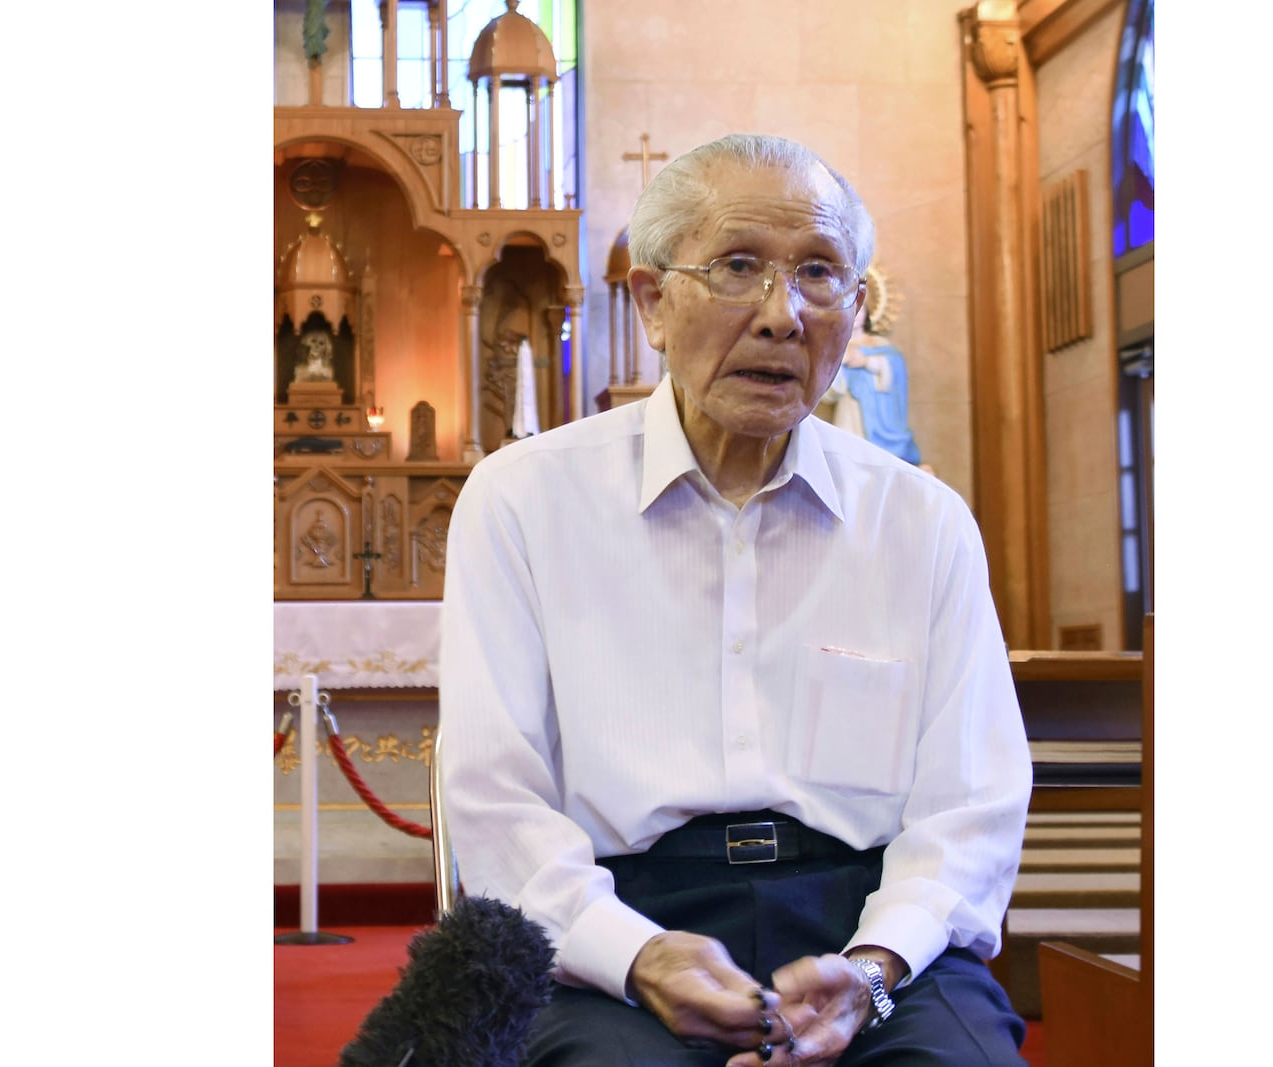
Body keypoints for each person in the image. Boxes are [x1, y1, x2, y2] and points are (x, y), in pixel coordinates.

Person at [437, 132, 1032, 1067]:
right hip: (617, 922)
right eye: (739, 266)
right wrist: (633, 955)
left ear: (856, 309)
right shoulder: (523, 500)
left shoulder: (922, 522)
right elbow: (495, 798)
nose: (781, 315)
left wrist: (874, 965)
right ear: (652, 303)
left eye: (820, 274)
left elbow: (972, 804)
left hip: (865, 927)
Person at [823, 301, 921, 466]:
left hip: (879, 410)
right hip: (851, 408)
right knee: (847, 456)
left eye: (860, 310)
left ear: (866, 315)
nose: (856, 315)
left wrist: (868, 362)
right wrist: (842, 362)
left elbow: (895, 366)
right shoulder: (836, 346)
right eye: (850, 310)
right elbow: (828, 388)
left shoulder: (879, 344)